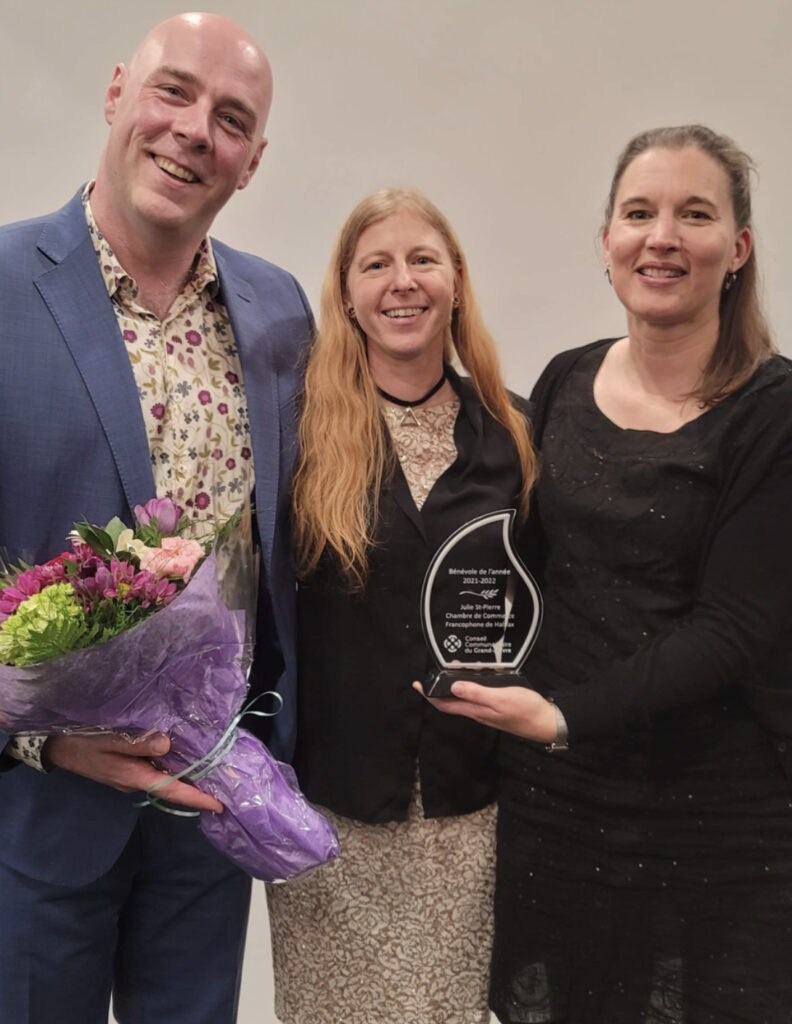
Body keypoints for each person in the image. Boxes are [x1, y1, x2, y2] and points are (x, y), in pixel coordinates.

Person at [426, 124, 792, 1023]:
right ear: (606, 242)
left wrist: (560, 717)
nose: (661, 235)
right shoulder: (562, 382)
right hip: (561, 807)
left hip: (717, 817)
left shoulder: (775, 414)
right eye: (639, 212)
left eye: (694, 214)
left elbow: (733, 629)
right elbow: (523, 570)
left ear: (736, 249)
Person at [0, 13, 312, 1024]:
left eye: (230, 119)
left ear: (251, 161)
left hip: (213, 804)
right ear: (117, 92)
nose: (192, 131)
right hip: (37, 808)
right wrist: (45, 742)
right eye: (173, 92)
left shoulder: (279, 313)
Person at [265, 188, 537, 1024]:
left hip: (470, 813)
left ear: (456, 281)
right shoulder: (297, 436)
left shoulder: (519, 434)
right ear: (346, 293)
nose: (402, 282)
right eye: (375, 264)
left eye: (423, 259)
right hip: (334, 815)